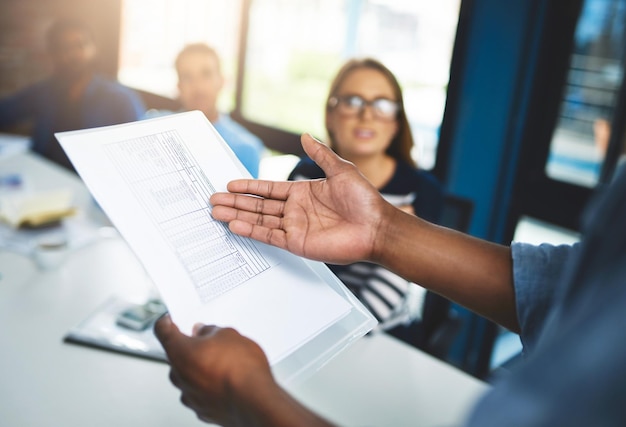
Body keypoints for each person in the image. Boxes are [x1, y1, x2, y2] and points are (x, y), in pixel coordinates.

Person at [155, 133, 626, 426]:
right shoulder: (309, 178)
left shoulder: (422, 189)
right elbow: (562, 290)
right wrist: (382, 230)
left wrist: (250, 402)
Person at [288, 58, 446, 340]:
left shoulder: (422, 191)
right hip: (300, 321)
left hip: (378, 337)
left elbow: (382, 296)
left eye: (382, 104)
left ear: (396, 124)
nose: (367, 115)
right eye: (352, 101)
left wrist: (330, 334)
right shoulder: (304, 174)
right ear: (331, 116)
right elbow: (288, 268)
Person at [0, 18, 146, 172]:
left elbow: (138, 153)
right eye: (64, 47)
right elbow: (5, 112)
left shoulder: (121, 98)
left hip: (91, 181)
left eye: (81, 45)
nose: (74, 54)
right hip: (42, 173)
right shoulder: (43, 91)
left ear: (94, 48)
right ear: (52, 53)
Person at [174, 43, 266, 178]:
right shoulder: (151, 126)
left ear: (222, 81)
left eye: (206, 74)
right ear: (179, 86)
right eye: (187, 77)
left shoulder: (246, 149)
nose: (197, 86)